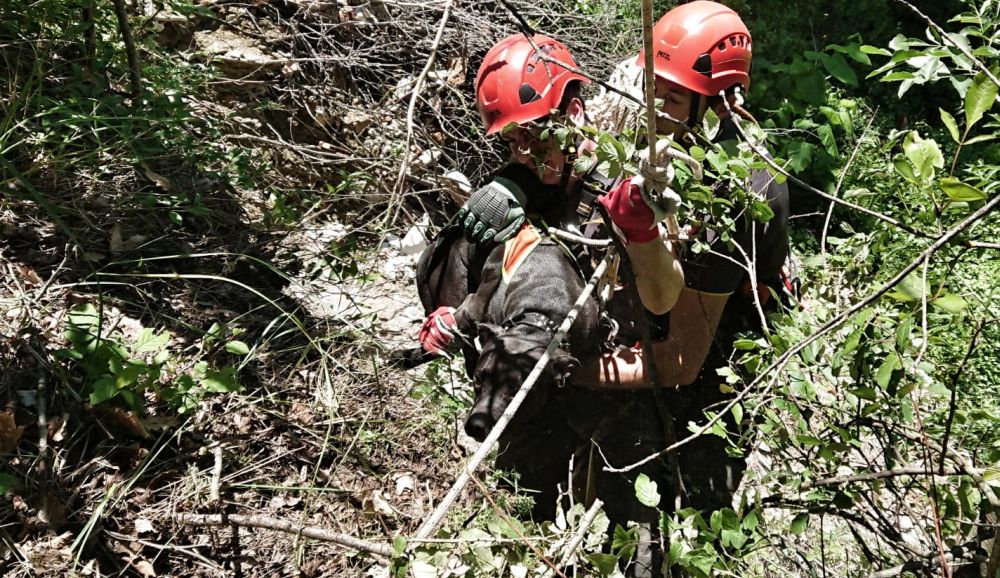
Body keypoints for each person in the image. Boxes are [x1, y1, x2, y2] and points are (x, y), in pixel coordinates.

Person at [415, 32, 688, 520]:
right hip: (529, 391)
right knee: (523, 511)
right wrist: (451, 315)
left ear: (574, 115)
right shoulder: (511, 193)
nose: (523, 153)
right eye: (512, 141)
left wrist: (640, 228)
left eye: (536, 135)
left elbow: (664, 299)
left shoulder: (620, 186)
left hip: (616, 386)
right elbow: (480, 279)